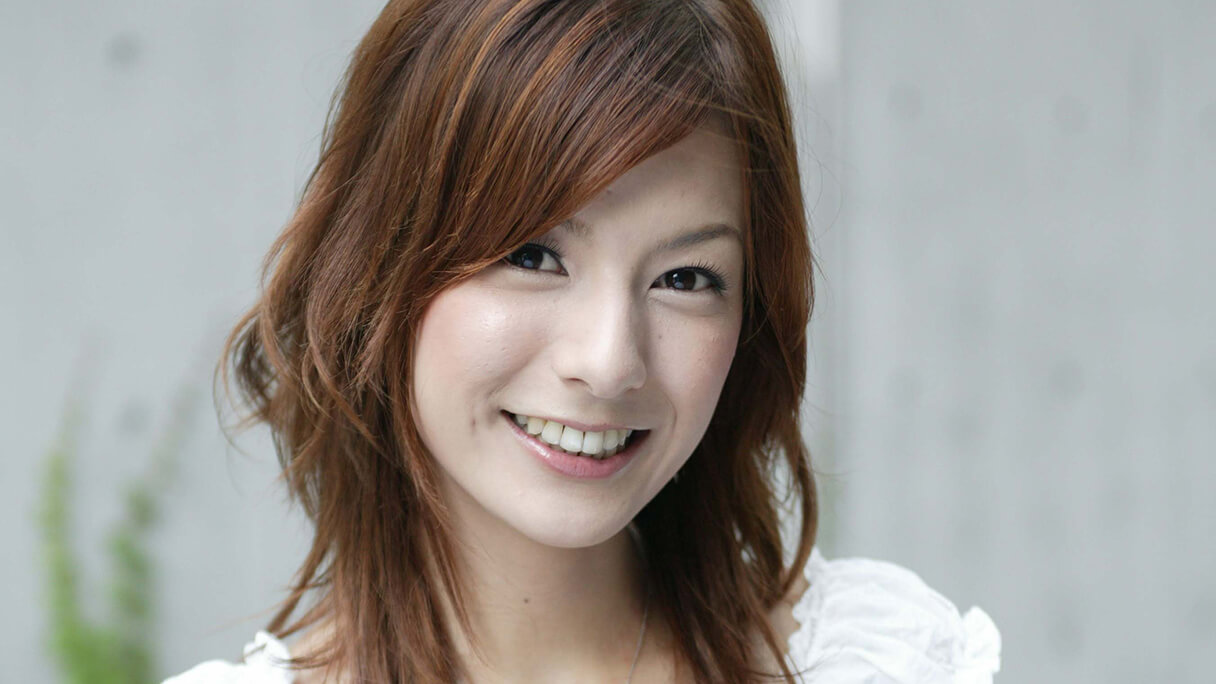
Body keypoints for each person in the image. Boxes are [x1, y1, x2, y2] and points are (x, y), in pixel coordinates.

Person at [166, 0, 1002, 681]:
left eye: (685, 278)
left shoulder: (875, 663)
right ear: (378, 261)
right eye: (533, 256)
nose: (609, 363)